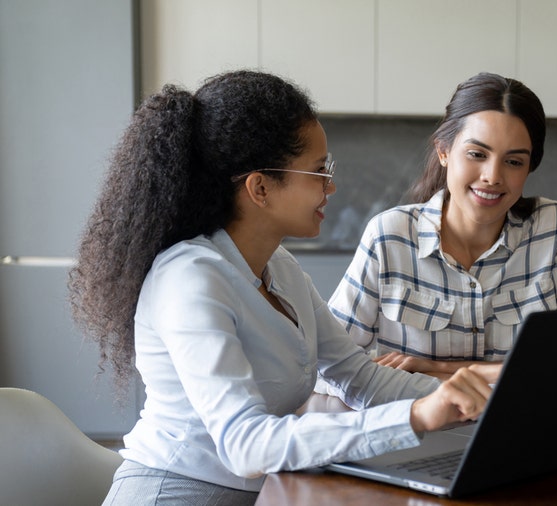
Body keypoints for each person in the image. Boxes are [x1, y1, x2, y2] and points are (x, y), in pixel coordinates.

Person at [68, 70, 496, 505]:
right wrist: (417, 416)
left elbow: (360, 377)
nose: (331, 186)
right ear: (260, 187)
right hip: (175, 493)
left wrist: (481, 405)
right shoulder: (190, 278)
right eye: (317, 171)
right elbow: (245, 445)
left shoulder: (280, 268)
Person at [327, 72, 557, 380]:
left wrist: (438, 369)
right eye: (477, 154)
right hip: (416, 425)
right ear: (444, 151)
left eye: (514, 162)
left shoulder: (553, 228)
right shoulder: (390, 236)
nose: (493, 176)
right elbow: (329, 365)